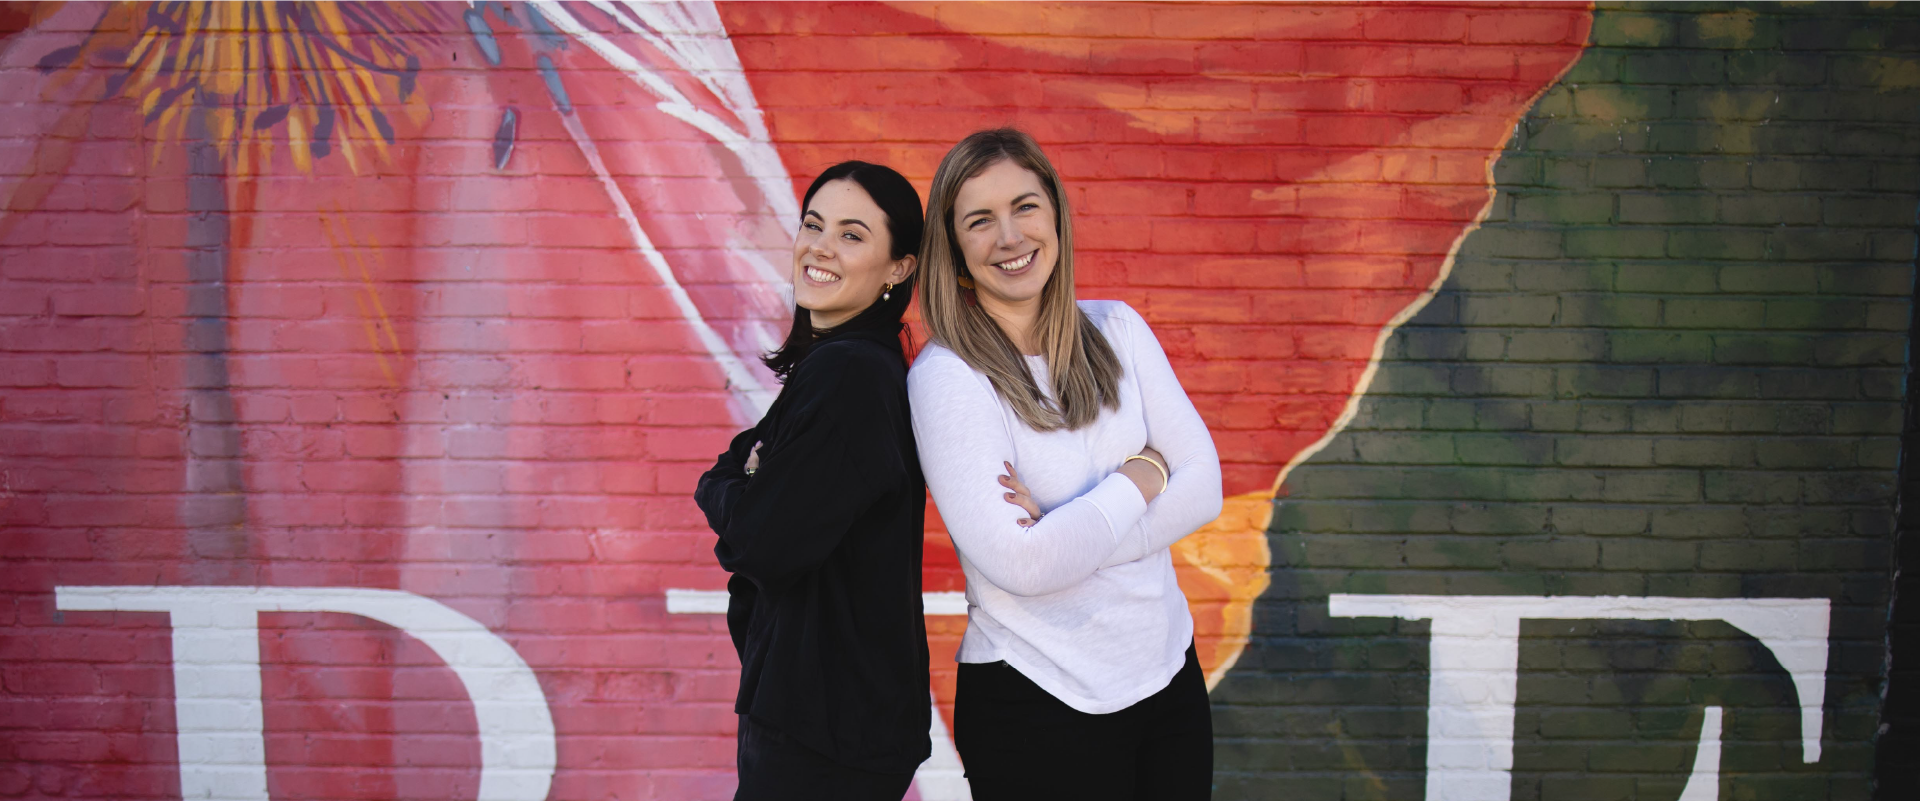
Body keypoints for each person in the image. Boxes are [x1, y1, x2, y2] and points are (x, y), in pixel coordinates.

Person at [907, 129, 1223, 800]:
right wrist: (1143, 474)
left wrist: (1065, 529)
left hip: (1167, 676)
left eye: (1024, 206)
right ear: (956, 249)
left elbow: (1205, 486)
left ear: (1054, 213)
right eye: (980, 220)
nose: (1010, 235)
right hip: (1036, 697)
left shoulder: (1119, 329)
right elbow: (1023, 566)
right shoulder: (948, 377)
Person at [694, 161, 929, 800]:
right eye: (813, 224)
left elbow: (761, 543)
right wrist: (739, 480)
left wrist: (727, 489)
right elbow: (738, 468)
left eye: (852, 235)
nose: (819, 247)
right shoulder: (845, 366)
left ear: (899, 267)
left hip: (821, 730)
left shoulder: (849, 375)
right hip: (836, 720)